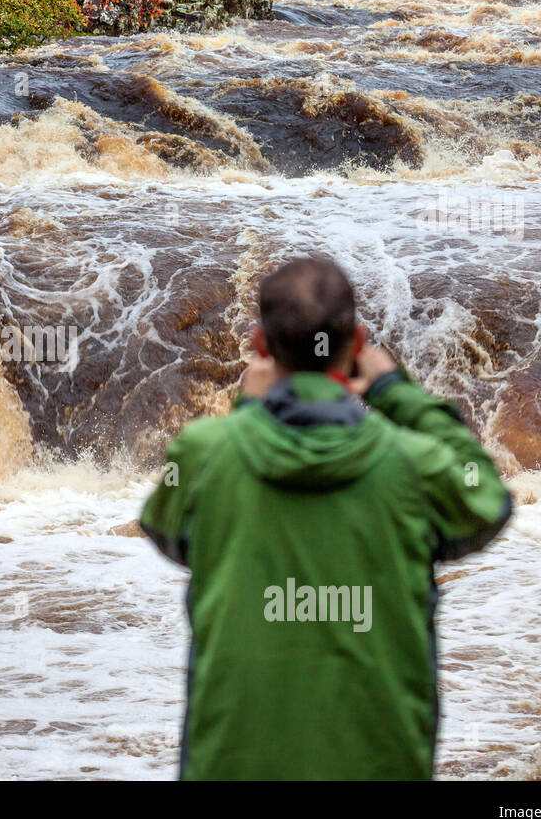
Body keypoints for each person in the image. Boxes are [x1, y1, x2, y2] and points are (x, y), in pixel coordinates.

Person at [140, 257, 512, 780]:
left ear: (261, 346)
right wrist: (395, 393)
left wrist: (250, 411)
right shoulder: (413, 465)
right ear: (358, 343)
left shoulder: (205, 454)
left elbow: (168, 530)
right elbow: (487, 498)